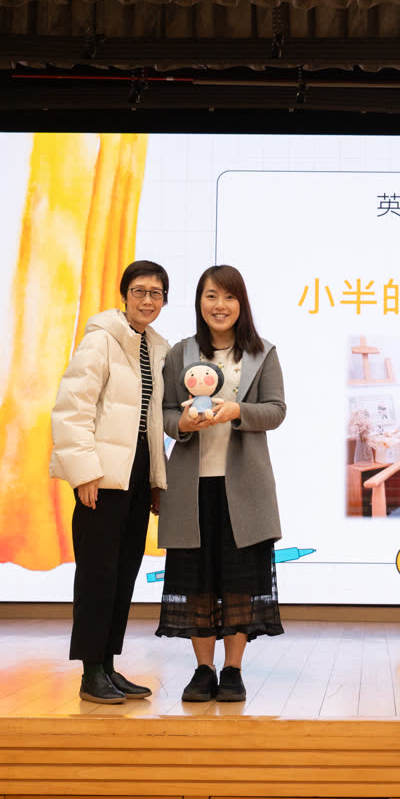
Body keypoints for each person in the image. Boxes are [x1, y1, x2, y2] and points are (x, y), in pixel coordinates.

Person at [157, 264, 286, 703]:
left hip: (243, 487)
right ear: (199, 302)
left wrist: (237, 412)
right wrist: (182, 424)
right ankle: (202, 669)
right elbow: (165, 413)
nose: (220, 305)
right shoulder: (181, 352)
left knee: (239, 581)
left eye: (229, 297)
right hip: (191, 486)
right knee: (195, 580)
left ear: (241, 303)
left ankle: (232, 669)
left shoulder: (262, 353)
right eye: (211, 296)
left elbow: (276, 410)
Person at [50, 260, 171, 704]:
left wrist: (156, 481)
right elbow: (72, 409)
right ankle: (90, 673)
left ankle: (108, 666)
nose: (147, 300)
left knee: (123, 574)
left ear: (164, 301)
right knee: (97, 576)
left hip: (137, 475)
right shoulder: (100, 339)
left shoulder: (157, 348)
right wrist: (84, 471)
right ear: (125, 295)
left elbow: (152, 423)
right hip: (101, 476)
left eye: (156, 293)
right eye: (139, 291)